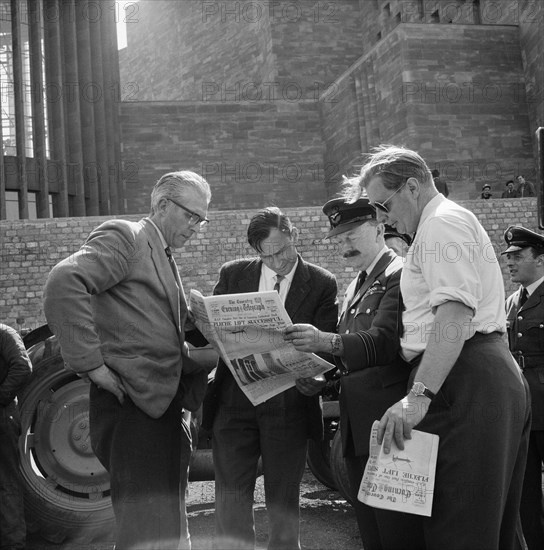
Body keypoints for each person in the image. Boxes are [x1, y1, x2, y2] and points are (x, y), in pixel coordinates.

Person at [352, 145, 530, 550]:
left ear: (412, 187)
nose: (382, 217)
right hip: (465, 373)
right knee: (483, 527)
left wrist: (418, 396)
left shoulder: (440, 225)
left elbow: (454, 315)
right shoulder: (437, 225)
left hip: (463, 374)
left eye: (383, 204)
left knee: (461, 529)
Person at [43, 171, 212, 550]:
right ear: (162, 205)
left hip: (160, 411)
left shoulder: (161, 253)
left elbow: (158, 326)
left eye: (202, 219)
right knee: (146, 530)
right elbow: (64, 282)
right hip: (134, 412)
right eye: (191, 215)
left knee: (166, 526)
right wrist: (92, 365)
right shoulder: (128, 237)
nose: (197, 226)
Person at [284, 197, 413, 550]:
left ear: (377, 229)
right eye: (340, 238)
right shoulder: (357, 284)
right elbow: (350, 359)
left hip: (390, 423)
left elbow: (384, 342)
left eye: (352, 234)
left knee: (397, 529)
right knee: (371, 529)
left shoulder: (399, 275)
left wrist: (324, 339)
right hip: (357, 427)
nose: (345, 244)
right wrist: (321, 378)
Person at [206, 207, 338, 550]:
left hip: (290, 402)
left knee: (283, 500)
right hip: (235, 401)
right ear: (256, 252)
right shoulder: (233, 274)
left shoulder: (322, 282)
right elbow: (213, 330)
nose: (276, 261)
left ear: (292, 236)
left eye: (281, 251)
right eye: (266, 256)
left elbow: (329, 346)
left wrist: (318, 380)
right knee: (231, 498)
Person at [503, 225, 544, 550]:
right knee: (525, 493)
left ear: (540, 260)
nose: (510, 263)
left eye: (518, 256)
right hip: (522, 412)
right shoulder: (511, 302)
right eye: (509, 257)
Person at [0, 324, 32, 550]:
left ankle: (13, 543)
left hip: (2, 416)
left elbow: (22, 366)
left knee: (6, 481)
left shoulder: (4, 334)